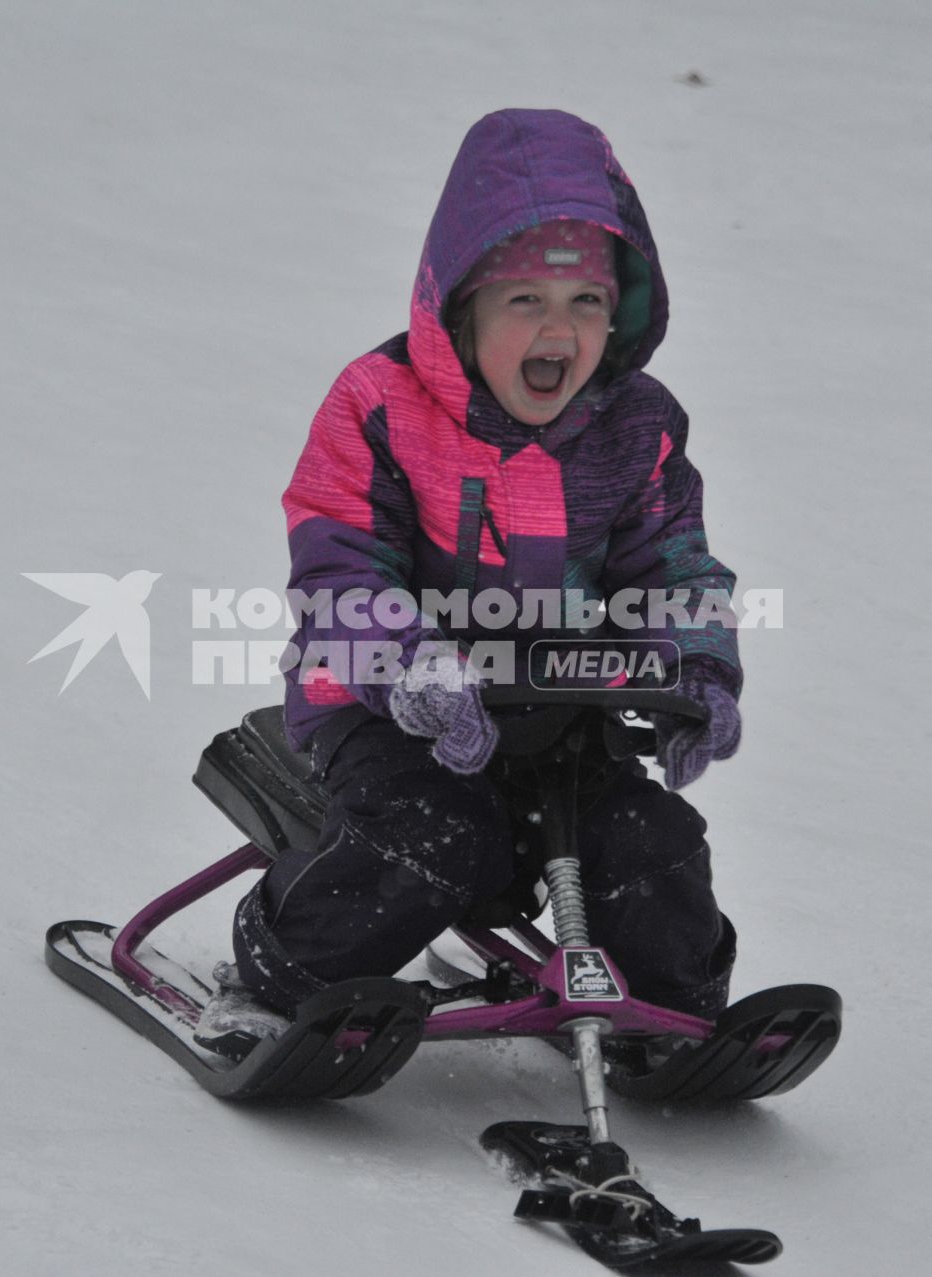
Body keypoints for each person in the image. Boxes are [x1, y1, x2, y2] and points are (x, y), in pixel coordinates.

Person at [199, 109, 744, 1050]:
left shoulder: (638, 425)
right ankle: (277, 985)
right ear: (463, 310)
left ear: (619, 315)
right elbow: (340, 564)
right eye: (524, 300)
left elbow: (674, 564)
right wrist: (404, 662)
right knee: (431, 836)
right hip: (385, 706)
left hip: (567, 712)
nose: (558, 330)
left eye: (585, 303)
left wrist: (695, 669)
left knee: (651, 845)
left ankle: (673, 1014)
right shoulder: (380, 405)